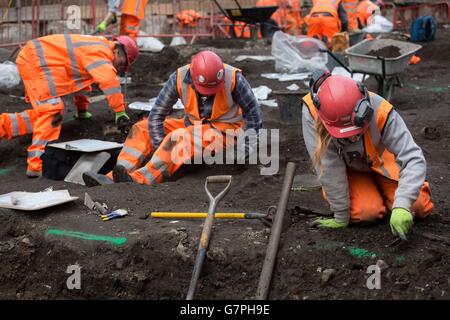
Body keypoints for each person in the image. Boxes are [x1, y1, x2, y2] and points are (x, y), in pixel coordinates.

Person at [83, 50, 262, 187]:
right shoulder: (179, 77)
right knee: (141, 127)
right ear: (192, 77)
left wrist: (246, 148)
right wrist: (159, 145)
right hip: (192, 124)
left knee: (178, 138)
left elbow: (254, 115)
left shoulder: (234, 79)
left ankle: (139, 180)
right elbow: (157, 115)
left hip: (225, 131)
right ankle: (114, 176)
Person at [301, 71, 433, 239]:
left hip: (382, 160)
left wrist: (403, 204)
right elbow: (329, 166)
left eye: (356, 133)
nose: (352, 138)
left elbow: (412, 157)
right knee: (366, 213)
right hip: (350, 168)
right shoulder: (314, 112)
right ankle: (375, 194)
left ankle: (390, 197)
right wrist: (341, 215)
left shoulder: (381, 110)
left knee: (419, 207)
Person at [0, 34, 139, 177]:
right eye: (122, 63)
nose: (119, 68)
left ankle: (2, 126)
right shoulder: (101, 53)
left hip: (38, 59)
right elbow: (110, 82)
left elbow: (80, 83)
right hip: (36, 60)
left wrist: (82, 109)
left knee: (44, 114)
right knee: (51, 110)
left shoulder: (97, 49)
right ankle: (37, 164)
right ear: (117, 50)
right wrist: (120, 111)